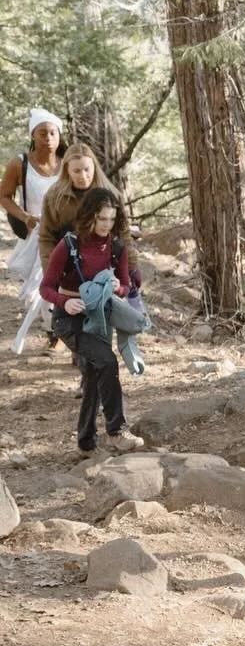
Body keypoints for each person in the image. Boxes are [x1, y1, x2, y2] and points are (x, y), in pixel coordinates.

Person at [39, 186, 146, 457]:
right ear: (89, 216)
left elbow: (125, 286)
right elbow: (46, 288)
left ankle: (86, 442)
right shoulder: (69, 245)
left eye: (111, 219)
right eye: (101, 219)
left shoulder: (117, 247)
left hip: (99, 318)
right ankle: (117, 431)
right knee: (106, 362)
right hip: (69, 319)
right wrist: (65, 302)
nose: (106, 225)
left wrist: (116, 287)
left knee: (93, 375)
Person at [4, 109, 65, 355]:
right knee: (43, 285)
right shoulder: (20, 163)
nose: (48, 138)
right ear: (33, 135)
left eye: (53, 132)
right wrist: (25, 217)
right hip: (36, 235)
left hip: (66, 233)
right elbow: (4, 196)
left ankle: (60, 335)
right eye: (43, 133)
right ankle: (55, 331)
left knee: (62, 282)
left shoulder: (68, 162)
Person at [38, 144, 115, 266]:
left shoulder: (111, 194)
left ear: (94, 167)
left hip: (105, 268)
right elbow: (46, 238)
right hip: (68, 268)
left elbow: (123, 234)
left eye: (87, 169)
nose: (83, 176)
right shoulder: (54, 197)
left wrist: (131, 269)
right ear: (67, 170)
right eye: (77, 171)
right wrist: (51, 274)